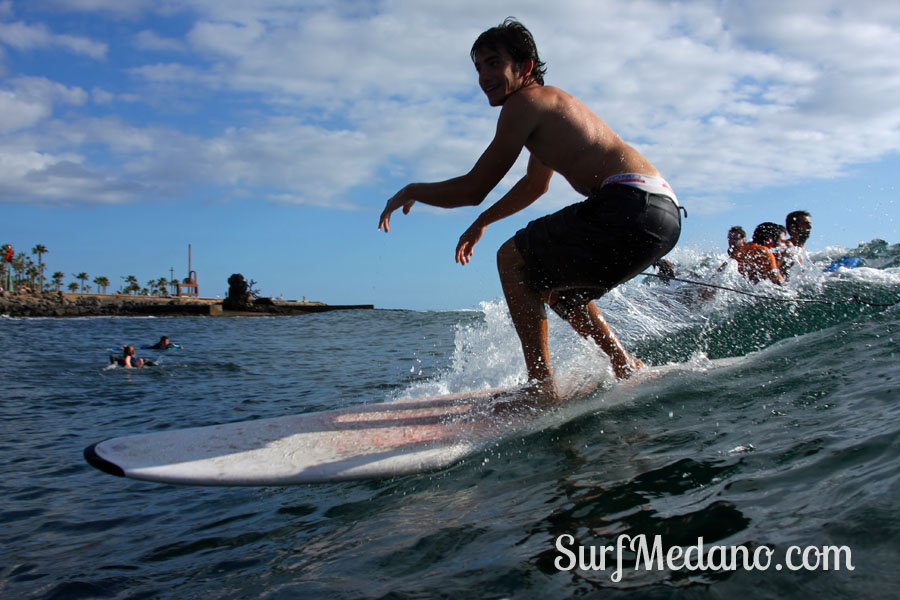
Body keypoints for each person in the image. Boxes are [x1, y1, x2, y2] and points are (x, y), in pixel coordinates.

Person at [379, 19, 682, 398]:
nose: (484, 76)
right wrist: (483, 222)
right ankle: (623, 363)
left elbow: (474, 187)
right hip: (661, 213)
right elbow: (536, 185)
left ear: (524, 67)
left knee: (511, 259)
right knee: (553, 286)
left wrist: (411, 190)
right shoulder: (548, 109)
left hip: (629, 203)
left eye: (493, 63)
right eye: (478, 68)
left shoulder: (525, 103)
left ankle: (541, 387)